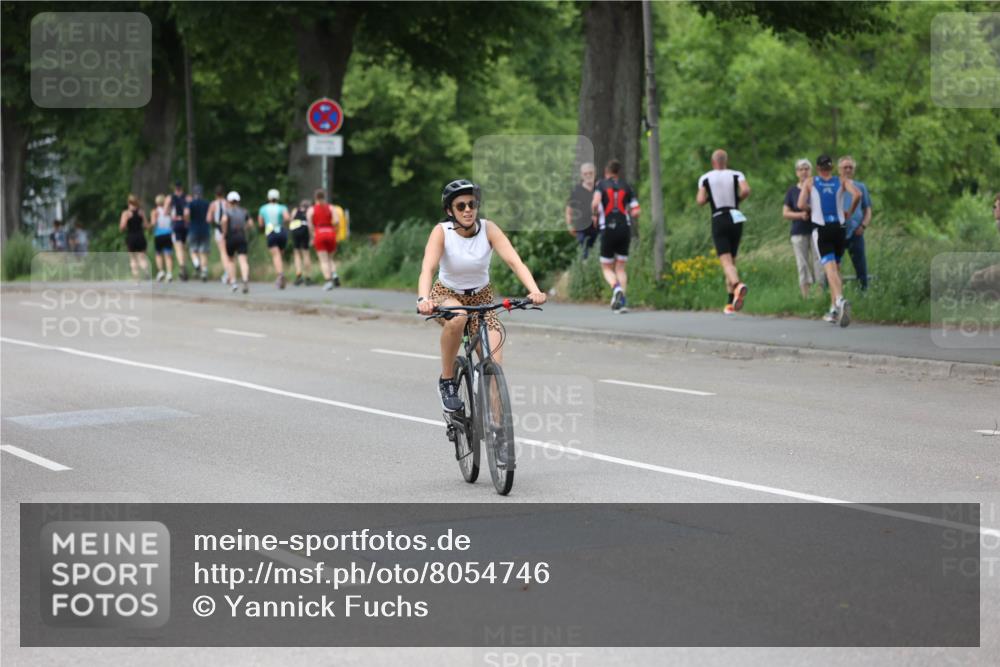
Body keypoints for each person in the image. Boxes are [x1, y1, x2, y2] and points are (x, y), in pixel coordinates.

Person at [416, 179, 546, 412]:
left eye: (472, 204)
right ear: (450, 211)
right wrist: (423, 299)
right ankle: (447, 382)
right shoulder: (441, 232)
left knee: (494, 368)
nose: (468, 210)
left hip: (482, 297)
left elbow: (515, 262)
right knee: (458, 317)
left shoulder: (489, 229)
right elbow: (428, 268)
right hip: (446, 293)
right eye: (461, 206)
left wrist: (534, 290)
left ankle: (497, 433)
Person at [797, 154, 863, 327]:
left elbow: (800, 204)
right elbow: (857, 194)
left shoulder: (811, 182)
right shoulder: (841, 180)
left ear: (818, 168)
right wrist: (849, 211)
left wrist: (811, 208)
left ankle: (840, 301)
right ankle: (833, 309)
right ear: (832, 168)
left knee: (829, 269)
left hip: (821, 228)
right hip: (840, 228)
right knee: (837, 268)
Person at [697, 149, 750, 315]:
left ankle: (737, 285)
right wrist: (737, 200)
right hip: (735, 215)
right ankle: (730, 302)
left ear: (713, 162)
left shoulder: (705, 178)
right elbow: (746, 190)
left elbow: (699, 200)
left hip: (719, 216)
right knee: (732, 261)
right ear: (726, 161)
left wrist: (708, 199)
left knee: (725, 262)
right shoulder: (736, 174)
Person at [591, 159, 641, 313]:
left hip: (608, 229)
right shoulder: (627, 186)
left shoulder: (601, 185)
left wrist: (594, 216)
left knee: (606, 267)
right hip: (624, 229)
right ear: (618, 172)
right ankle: (621, 302)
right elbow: (636, 211)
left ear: (607, 172)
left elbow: (595, 203)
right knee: (620, 267)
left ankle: (616, 288)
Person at [783, 159, 823, 299]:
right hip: (799, 231)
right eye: (801, 169)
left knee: (819, 261)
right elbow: (785, 213)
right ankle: (806, 297)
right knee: (802, 263)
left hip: (816, 229)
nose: (804, 171)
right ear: (797, 173)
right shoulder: (792, 191)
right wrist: (800, 215)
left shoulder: (817, 188)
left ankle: (819, 294)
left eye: (806, 169)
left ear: (811, 171)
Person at [839, 156, 872, 291]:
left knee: (860, 266)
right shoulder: (834, 185)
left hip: (856, 231)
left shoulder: (860, 187)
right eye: (845, 167)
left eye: (850, 167)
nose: (847, 169)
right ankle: (831, 295)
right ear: (839, 169)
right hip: (838, 232)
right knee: (833, 265)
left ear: (854, 170)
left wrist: (863, 225)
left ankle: (863, 294)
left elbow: (868, 210)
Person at [307, 189, 341, 290]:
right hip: (330, 233)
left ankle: (328, 281)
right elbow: (336, 221)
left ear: (315, 198)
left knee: (324, 260)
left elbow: (310, 225)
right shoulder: (331, 208)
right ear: (324, 197)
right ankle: (334, 274)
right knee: (330, 258)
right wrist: (334, 231)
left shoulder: (311, 210)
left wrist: (313, 236)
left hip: (319, 233)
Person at [258, 188, 290, 289]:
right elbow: (287, 218)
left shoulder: (263, 208)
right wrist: (284, 225)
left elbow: (260, 223)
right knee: (280, 255)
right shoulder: (282, 207)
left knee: (276, 256)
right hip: (281, 231)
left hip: (271, 232)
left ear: (268, 197)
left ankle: (280, 275)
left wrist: (263, 229)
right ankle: (280, 274)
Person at [566, 162, 598, 259]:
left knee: (600, 254)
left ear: (594, 173)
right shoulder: (576, 191)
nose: (588, 175)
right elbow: (569, 209)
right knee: (584, 255)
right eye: (585, 173)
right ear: (581, 175)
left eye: (590, 173)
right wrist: (569, 224)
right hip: (582, 229)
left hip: (599, 228)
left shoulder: (600, 188)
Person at [221, 191, 251, 294]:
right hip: (241, 236)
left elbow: (224, 221)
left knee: (230, 260)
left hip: (231, 236)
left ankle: (233, 282)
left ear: (229, 201)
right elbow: (250, 223)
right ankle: (245, 279)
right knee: (243, 259)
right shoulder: (244, 211)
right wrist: (244, 228)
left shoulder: (227, 211)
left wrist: (224, 233)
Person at [207, 185, 235, 286]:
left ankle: (228, 273)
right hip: (229, 228)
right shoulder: (227, 203)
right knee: (229, 253)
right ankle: (229, 271)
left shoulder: (213, 204)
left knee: (223, 253)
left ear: (215, 194)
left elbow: (208, 219)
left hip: (219, 228)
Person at [119, 194, 150, 281]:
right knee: (142, 257)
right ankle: (145, 270)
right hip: (141, 236)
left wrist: (126, 221)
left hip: (131, 237)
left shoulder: (126, 213)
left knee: (133, 259)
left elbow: (122, 227)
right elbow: (146, 225)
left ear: (128, 202)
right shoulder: (141, 212)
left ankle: (136, 278)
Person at [185, 184, 211, 281]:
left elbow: (186, 213)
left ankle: (197, 264)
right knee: (203, 252)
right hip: (205, 229)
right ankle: (204, 271)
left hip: (193, 229)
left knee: (193, 250)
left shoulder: (191, 203)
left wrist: (187, 221)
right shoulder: (207, 203)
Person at [169, 180, 190, 281]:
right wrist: (186, 221)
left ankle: (182, 266)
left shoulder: (170, 198)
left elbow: (165, 211)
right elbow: (187, 212)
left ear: (174, 188)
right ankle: (184, 264)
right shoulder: (187, 198)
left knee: (178, 247)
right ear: (181, 188)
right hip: (184, 224)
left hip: (176, 223)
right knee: (184, 246)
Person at [151, 194, 175, 282]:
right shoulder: (169, 210)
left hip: (158, 234)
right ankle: (169, 273)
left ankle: (161, 271)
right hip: (168, 234)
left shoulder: (155, 211)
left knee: (158, 254)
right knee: (168, 255)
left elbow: (153, 223)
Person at [289, 199, 313, 286]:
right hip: (305, 230)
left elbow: (291, 220)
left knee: (297, 254)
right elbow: (310, 224)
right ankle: (308, 277)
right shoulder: (309, 211)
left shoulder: (295, 210)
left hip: (295, 231)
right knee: (306, 254)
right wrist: (312, 237)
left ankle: (299, 275)